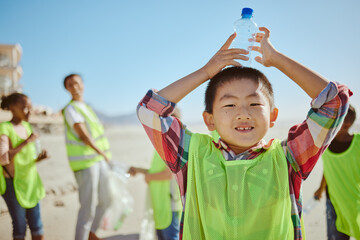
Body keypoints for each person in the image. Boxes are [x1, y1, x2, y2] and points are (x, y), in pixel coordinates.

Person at [136, 27, 351, 239]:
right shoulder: (191, 156)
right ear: (209, 120)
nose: (243, 113)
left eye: (254, 103)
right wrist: (205, 72)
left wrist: (277, 60)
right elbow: (149, 110)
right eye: (229, 105)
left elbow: (334, 103)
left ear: (273, 116)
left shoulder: (288, 158)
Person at [62, 74, 112, 240]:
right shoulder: (71, 109)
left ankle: (91, 233)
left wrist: (103, 156)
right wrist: (102, 153)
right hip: (85, 163)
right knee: (87, 208)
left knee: (106, 199)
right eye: (69, 85)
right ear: (67, 89)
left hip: (98, 160)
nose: (74, 86)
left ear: (82, 84)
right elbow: (84, 136)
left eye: (76, 83)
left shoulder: (87, 107)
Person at [0, 93, 48, 240]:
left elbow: (27, 159)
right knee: (20, 226)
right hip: (13, 184)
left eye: (30, 108)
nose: (29, 111)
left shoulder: (27, 126)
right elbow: (3, 159)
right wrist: (27, 141)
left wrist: (39, 158)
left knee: (37, 225)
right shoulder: (5, 128)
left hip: (31, 182)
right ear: (12, 107)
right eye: (25, 107)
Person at [129, 109, 182, 240]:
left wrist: (149, 177)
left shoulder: (173, 144)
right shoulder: (162, 143)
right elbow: (157, 171)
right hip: (161, 203)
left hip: (170, 204)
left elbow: (167, 175)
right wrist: (140, 170)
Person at [314, 105, 359, 240]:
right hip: (332, 200)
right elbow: (329, 168)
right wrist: (320, 189)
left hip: (354, 201)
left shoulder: (358, 143)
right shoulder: (325, 143)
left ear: (347, 124)